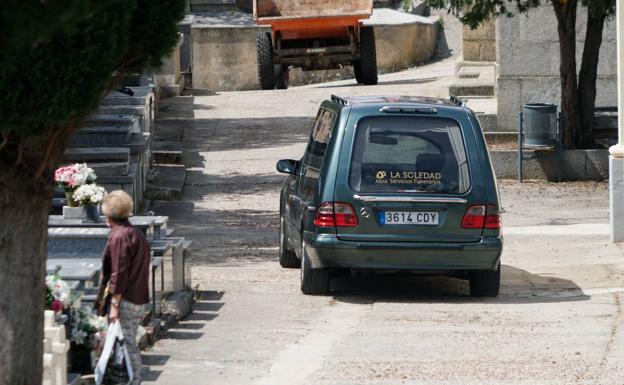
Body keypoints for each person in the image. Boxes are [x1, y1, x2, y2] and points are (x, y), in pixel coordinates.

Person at [95, 190, 150, 384]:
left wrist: (115, 305)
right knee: (129, 343)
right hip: (137, 297)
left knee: (126, 345)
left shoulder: (119, 236)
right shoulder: (136, 234)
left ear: (108, 216)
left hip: (124, 300)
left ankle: (133, 380)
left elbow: (119, 272)